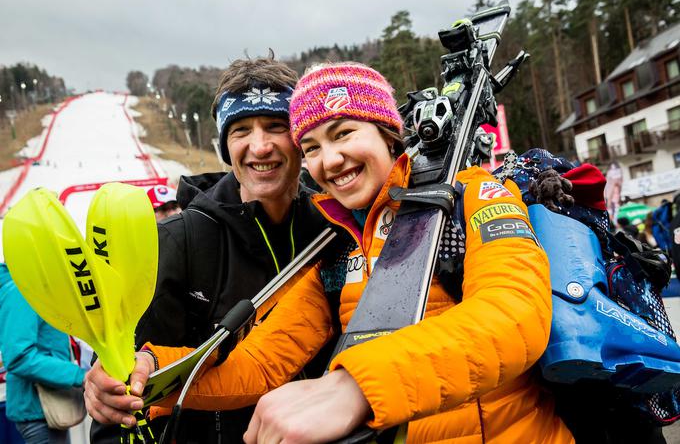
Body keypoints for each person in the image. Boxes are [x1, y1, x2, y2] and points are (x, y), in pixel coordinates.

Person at [86, 62, 573, 443]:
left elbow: (514, 314)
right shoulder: (336, 246)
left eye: (343, 134)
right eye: (313, 145)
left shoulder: (473, 194)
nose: (330, 159)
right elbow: (258, 364)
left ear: (387, 133)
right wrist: (151, 375)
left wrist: (354, 388)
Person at [85, 54, 328, 443]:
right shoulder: (181, 241)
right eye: (241, 130)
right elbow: (122, 387)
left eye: (275, 126)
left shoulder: (333, 226)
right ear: (225, 145)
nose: (260, 146)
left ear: (299, 139)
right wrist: (106, 390)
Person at [0, 264, 86, 444]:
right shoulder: (21, 290)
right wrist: (80, 376)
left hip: (47, 405)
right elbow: (19, 357)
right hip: (39, 408)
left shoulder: (30, 287)